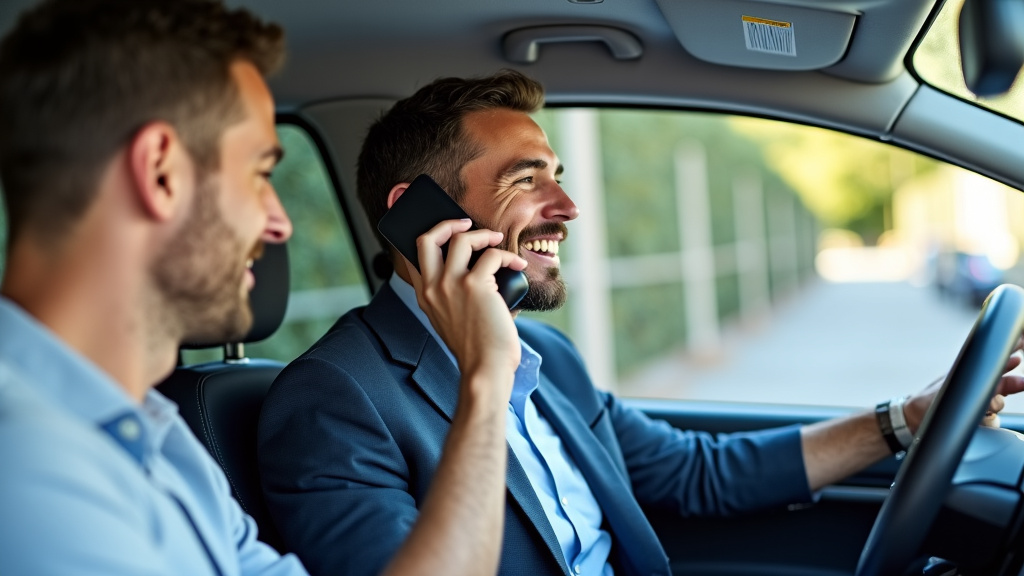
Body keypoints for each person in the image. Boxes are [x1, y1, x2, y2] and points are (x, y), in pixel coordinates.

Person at [257, 69, 1024, 576]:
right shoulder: (332, 400)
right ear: (420, 217)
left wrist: (905, 420)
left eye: (559, 176)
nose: (568, 208)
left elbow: (696, 473)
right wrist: (486, 382)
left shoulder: (545, 357)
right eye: (529, 180)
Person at [0, 2, 520, 575]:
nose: (280, 223)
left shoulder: (159, 438)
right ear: (159, 175)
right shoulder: (26, 466)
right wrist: (486, 380)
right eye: (259, 174)